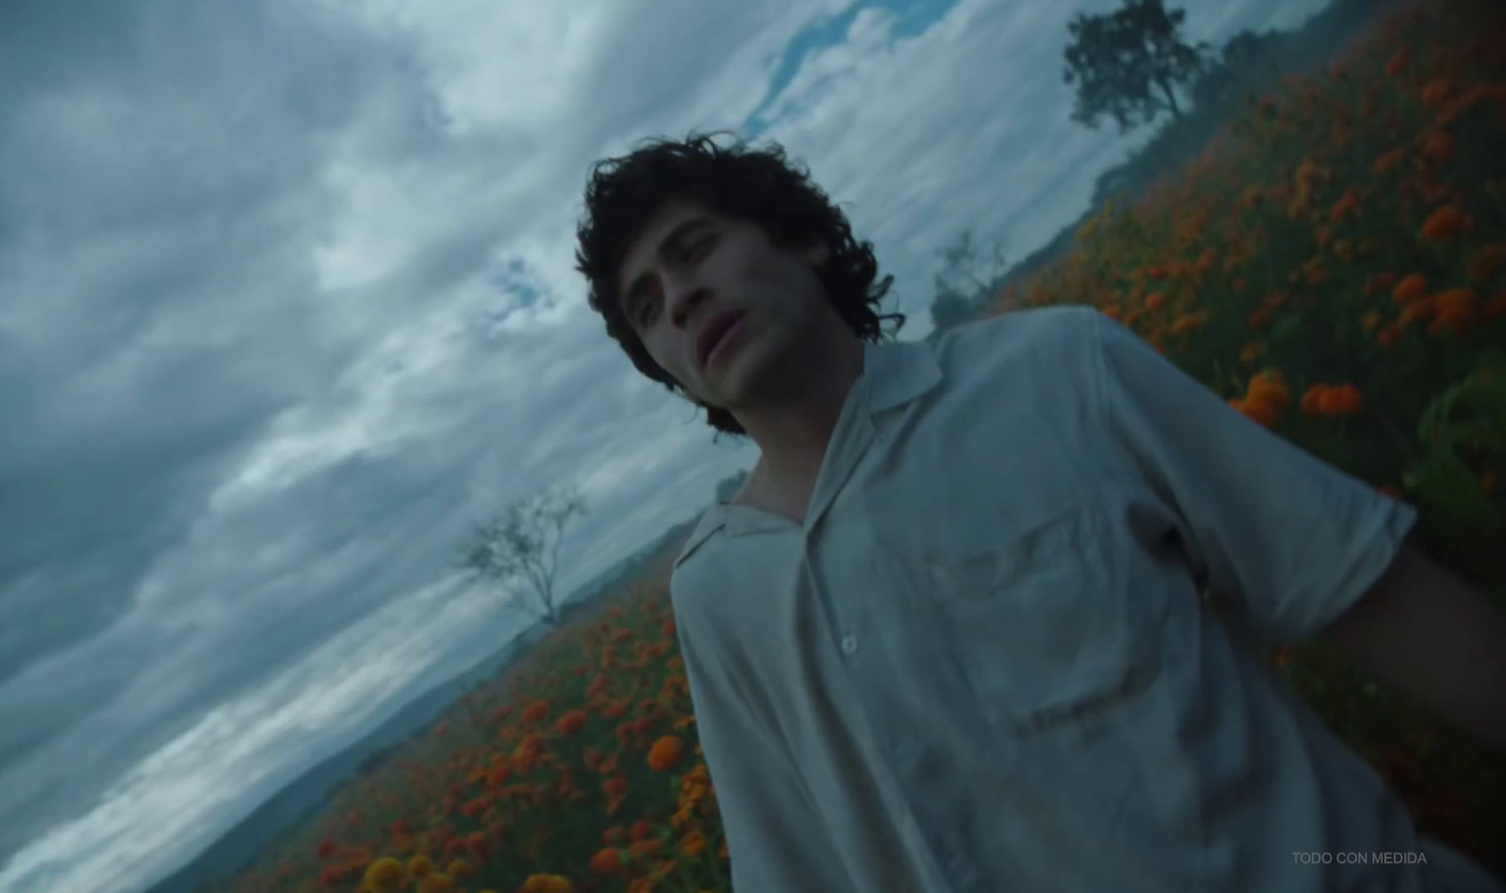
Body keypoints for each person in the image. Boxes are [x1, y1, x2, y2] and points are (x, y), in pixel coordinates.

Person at [572, 129, 1506, 893]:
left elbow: (1357, 585)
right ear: (666, 367)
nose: (681, 299)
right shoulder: (720, 589)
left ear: (802, 239)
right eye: (648, 307)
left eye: (694, 251)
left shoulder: (1059, 372)